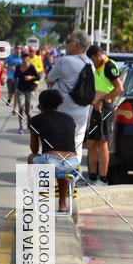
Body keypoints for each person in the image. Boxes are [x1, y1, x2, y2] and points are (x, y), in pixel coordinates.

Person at [46, 30, 94, 167]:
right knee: (77, 147)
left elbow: (49, 79)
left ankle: (54, 182)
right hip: (82, 113)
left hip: (63, 114)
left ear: (76, 45)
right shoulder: (90, 63)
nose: (66, 45)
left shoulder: (65, 61)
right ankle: (72, 180)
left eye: (68, 42)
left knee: (55, 147)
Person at [28, 89, 79, 213]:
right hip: (72, 164)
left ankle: (37, 202)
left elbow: (34, 148)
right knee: (62, 163)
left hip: (50, 162)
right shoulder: (69, 119)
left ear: (41, 104)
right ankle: (62, 204)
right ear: (58, 103)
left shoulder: (35, 120)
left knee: (31, 157)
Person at [85, 45, 123, 184]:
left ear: (98, 55)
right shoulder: (99, 67)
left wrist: (102, 99)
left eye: (93, 59)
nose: (93, 62)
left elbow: (119, 88)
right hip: (95, 108)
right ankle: (92, 176)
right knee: (90, 143)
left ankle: (103, 178)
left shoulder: (109, 66)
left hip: (104, 108)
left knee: (102, 142)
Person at [14, 52, 39, 133]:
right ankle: (21, 127)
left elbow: (38, 77)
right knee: (21, 107)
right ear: (21, 59)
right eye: (24, 58)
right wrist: (13, 80)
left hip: (29, 90)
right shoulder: (18, 67)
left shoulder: (31, 67)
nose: (25, 60)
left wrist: (31, 77)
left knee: (28, 110)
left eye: (27, 59)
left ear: (29, 59)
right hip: (20, 89)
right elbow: (15, 76)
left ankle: (29, 120)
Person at [4, 42, 23, 110]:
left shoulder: (22, 57)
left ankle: (14, 109)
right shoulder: (10, 56)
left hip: (18, 78)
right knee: (10, 92)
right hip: (10, 77)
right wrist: (10, 67)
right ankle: (9, 99)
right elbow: (4, 65)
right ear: (14, 48)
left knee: (16, 93)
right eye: (17, 48)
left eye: (20, 48)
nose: (18, 50)